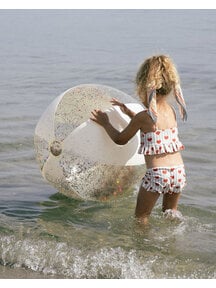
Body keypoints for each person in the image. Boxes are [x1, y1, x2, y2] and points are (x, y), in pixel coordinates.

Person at [90, 55, 187, 224]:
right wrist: (130, 114)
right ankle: (172, 241)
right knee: (170, 213)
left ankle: (144, 248)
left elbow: (120, 139)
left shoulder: (143, 117)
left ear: (143, 86)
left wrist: (105, 123)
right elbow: (154, 130)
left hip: (157, 174)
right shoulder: (171, 110)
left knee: (141, 218)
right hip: (178, 172)